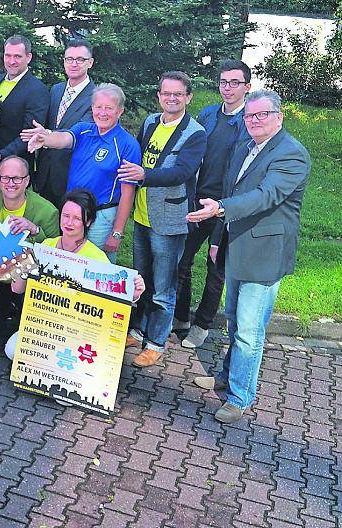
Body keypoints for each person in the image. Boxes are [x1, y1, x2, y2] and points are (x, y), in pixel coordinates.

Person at [187, 89, 310, 424]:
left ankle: (239, 398)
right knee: (233, 319)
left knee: (249, 331)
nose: (253, 121)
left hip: (263, 255)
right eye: (249, 116)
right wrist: (217, 237)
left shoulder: (291, 154)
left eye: (261, 115)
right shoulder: (246, 146)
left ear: (278, 116)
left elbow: (265, 195)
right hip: (234, 244)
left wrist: (221, 209)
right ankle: (226, 378)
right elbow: (230, 193)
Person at [119, 71, 207, 368]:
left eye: (178, 94)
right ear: (159, 96)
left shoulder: (194, 133)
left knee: (164, 286)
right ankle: (137, 330)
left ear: (188, 97)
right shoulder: (150, 122)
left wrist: (145, 174)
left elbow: (182, 171)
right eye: (166, 93)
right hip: (142, 215)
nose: (171, 98)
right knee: (141, 279)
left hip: (169, 219)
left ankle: (156, 342)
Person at [7, 189, 145, 358]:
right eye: (65, 216)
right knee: (12, 350)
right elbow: (17, 290)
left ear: (88, 222)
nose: (69, 222)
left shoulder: (97, 258)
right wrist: (22, 268)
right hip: (44, 325)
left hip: (78, 331)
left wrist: (133, 295)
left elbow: (112, 307)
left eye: (77, 218)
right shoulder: (46, 246)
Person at [175, 60, 251, 349]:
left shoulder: (249, 121)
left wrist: (226, 207)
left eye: (235, 82)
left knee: (215, 267)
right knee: (182, 260)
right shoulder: (207, 115)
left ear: (247, 87)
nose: (228, 88)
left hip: (226, 207)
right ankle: (181, 316)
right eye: (223, 82)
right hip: (198, 201)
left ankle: (202, 325)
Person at [22, 83, 140, 262]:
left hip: (101, 217)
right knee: (67, 261)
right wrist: (45, 137)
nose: (102, 112)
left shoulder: (127, 145)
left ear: (120, 111)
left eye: (109, 108)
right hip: (74, 212)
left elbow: (127, 194)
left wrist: (117, 233)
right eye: (98, 107)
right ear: (92, 108)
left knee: (94, 266)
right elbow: (63, 139)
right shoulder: (83, 130)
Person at [34, 39, 95, 206]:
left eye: (80, 59)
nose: (74, 64)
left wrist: (47, 135)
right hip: (45, 173)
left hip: (71, 176)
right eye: (69, 59)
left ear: (90, 63)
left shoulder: (96, 97)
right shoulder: (56, 89)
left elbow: (81, 135)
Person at [0, 35, 49, 180]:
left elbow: (29, 135)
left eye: (17, 56)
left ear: (28, 57)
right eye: (8, 55)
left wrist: (3, 154)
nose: (11, 61)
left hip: (15, 166)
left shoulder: (37, 90)